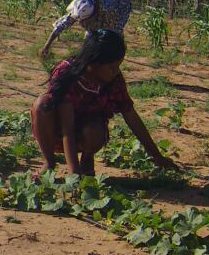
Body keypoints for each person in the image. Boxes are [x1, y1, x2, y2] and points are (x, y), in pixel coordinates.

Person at [31, 29, 176, 177]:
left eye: (118, 67)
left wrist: (158, 157)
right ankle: (49, 163)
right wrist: (74, 175)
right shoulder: (67, 74)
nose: (115, 72)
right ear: (93, 63)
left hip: (89, 130)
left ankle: (87, 157)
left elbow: (131, 116)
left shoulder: (114, 80)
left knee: (94, 131)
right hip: (57, 129)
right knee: (42, 105)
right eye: (112, 67)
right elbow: (67, 128)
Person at [41, 0, 133, 58]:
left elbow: (114, 30)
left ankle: (117, 56)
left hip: (120, 4)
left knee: (112, 37)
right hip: (103, 0)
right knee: (89, 38)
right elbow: (61, 25)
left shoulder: (109, 12)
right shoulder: (80, 7)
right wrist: (46, 46)